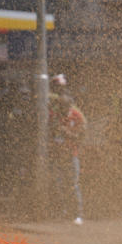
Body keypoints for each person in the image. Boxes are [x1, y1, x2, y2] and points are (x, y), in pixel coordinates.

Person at [49, 93, 86, 225]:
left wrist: (67, 133)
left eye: (65, 106)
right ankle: (62, 211)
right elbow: (50, 132)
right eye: (60, 105)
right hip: (57, 155)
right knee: (58, 184)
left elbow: (82, 134)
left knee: (73, 184)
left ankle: (78, 213)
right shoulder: (55, 115)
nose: (62, 108)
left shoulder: (76, 116)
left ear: (70, 105)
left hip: (71, 154)